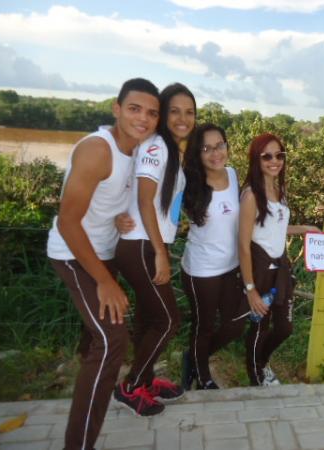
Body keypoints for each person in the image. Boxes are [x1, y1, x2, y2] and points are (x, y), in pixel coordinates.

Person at [47, 78, 159, 450]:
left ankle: (92, 388)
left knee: (97, 340)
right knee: (112, 341)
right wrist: (105, 282)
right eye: (134, 108)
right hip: (73, 255)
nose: (143, 118)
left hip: (101, 253)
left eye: (151, 112)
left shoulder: (135, 152)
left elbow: (101, 202)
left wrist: (115, 219)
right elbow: (67, 221)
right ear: (116, 108)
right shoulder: (99, 149)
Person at [112, 83, 196, 414]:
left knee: (150, 318)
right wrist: (160, 252)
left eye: (189, 112)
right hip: (141, 246)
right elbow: (145, 201)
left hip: (147, 242)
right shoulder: (157, 148)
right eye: (174, 110)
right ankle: (130, 386)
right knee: (168, 321)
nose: (182, 118)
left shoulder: (171, 150)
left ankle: (144, 381)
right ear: (163, 114)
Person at [238, 133, 319, 386]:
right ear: (256, 159)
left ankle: (261, 362)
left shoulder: (279, 189)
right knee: (259, 327)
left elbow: (276, 227)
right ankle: (256, 376)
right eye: (267, 156)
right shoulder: (251, 195)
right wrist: (250, 289)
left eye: (279, 155)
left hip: (280, 269)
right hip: (259, 270)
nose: (275, 161)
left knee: (284, 328)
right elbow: (243, 243)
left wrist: (303, 228)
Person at [180, 123, 248, 390]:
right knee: (204, 326)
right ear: (197, 153)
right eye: (206, 148)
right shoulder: (189, 183)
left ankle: (194, 357)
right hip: (202, 270)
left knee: (235, 325)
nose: (215, 153)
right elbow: (156, 202)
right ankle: (203, 376)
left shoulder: (232, 174)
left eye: (220, 145)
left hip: (231, 266)